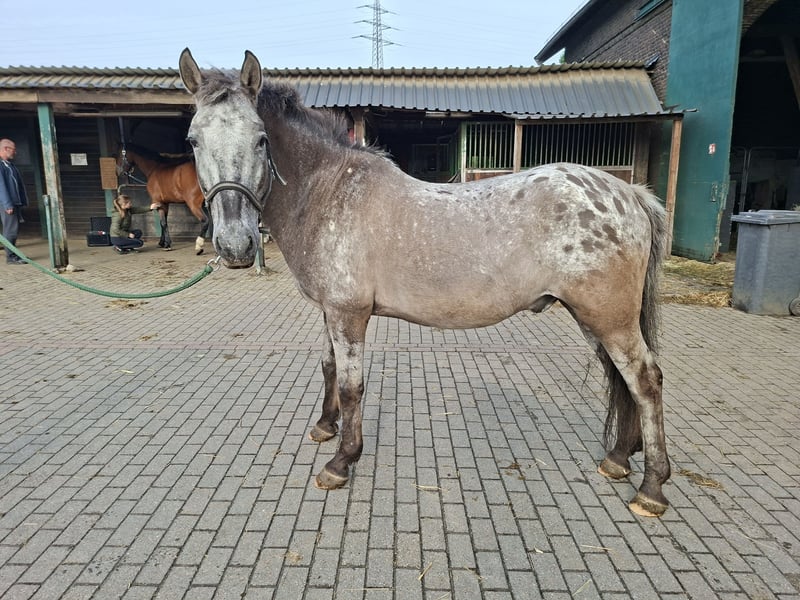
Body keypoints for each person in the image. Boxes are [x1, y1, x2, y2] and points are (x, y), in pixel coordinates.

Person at [0, 138, 29, 265]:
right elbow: (1, 186)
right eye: (13, 149)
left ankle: (13, 254)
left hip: (13, 202)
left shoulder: (9, 165)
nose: (15, 152)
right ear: (6, 149)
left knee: (13, 230)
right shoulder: (1, 166)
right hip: (7, 203)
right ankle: (11, 257)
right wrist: (7, 204)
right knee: (10, 230)